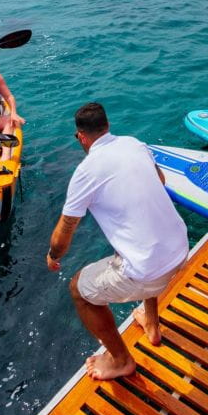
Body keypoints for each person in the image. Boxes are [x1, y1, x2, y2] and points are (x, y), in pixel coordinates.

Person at [46, 101, 189, 382]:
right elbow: (160, 180)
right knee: (138, 247)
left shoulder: (85, 171)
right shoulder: (134, 144)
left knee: (78, 290)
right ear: (108, 126)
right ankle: (152, 325)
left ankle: (121, 360)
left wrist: (53, 255)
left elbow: (67, 227)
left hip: (150, 271)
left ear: (81, 137)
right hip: (180, 251)